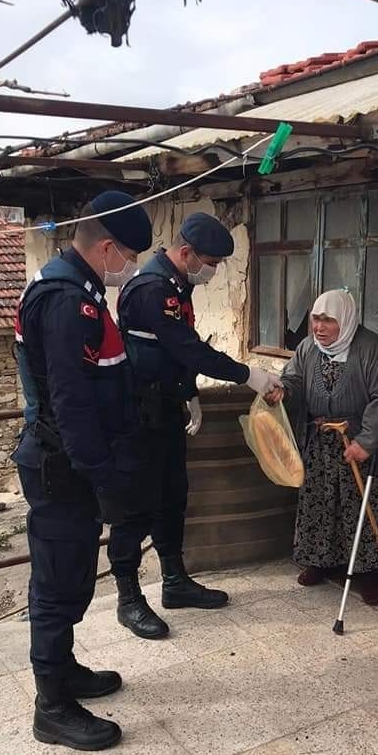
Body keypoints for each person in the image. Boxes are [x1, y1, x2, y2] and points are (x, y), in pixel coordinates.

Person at [13, 190, 153, 751]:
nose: (131, 267)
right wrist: (101, 472)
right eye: (129, 255)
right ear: (107, 246)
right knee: (55, 584)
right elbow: (70, 399)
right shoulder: (68, 301)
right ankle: (52, 706)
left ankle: (64, 670)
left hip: (68, 462)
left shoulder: (77, 287)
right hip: (62, 466)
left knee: (67, 576)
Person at [108, 212, 282, 638]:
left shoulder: (176, 282)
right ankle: (129, 599)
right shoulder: (152, 288)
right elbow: (188, 349)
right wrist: (250, 375)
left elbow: (173, 351)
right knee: (136, 508)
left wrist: (189, 394)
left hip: (166, 407)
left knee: (172, 497)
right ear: (185, 253)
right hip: (138, 414)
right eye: (211, 262)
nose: (214, 271)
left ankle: (174, 582)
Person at [274, 289, 378, 602]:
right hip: (321, 443)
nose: (319, 327)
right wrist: (283, 390)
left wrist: (366, 441)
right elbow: (294, 379)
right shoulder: (308, 348)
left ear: (346, 320)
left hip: (360, 443)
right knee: (322, 503)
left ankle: (371, 573)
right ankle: (321, 561)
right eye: (316, 319)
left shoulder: (371, 349)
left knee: (363, 507)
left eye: (328, 320)